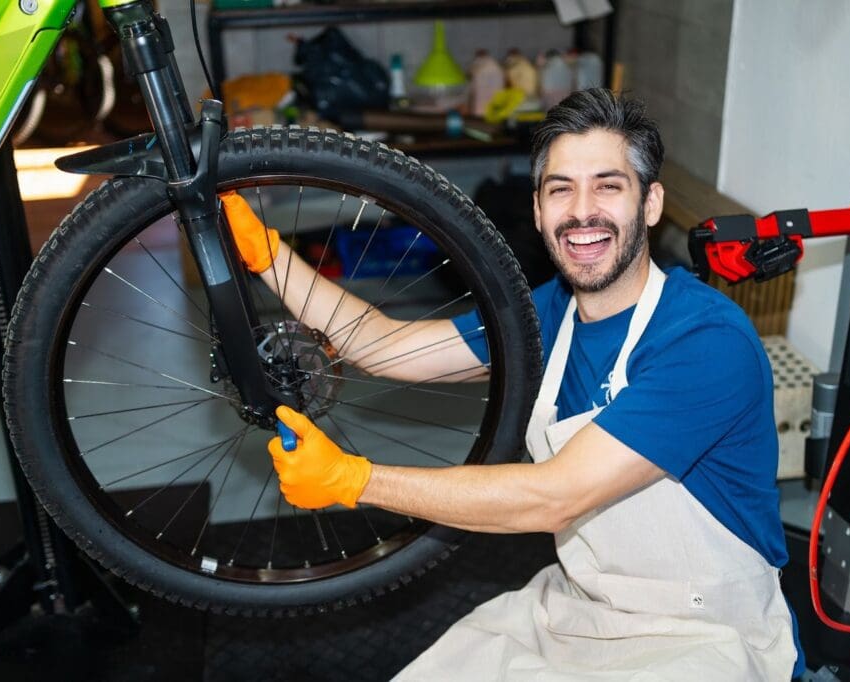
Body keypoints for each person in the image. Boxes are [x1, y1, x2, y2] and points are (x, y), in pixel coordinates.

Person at [221, 88, 804, 680]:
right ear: (537, 210)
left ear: (650, 203)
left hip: (707, 636)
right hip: (583, 610)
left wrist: (356, 480)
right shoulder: (547, 313)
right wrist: (269, 256)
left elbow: (556, 496)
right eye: (560, 189)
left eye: (608, 185)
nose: (582, 212)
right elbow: (387, 346)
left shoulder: (705, 341)